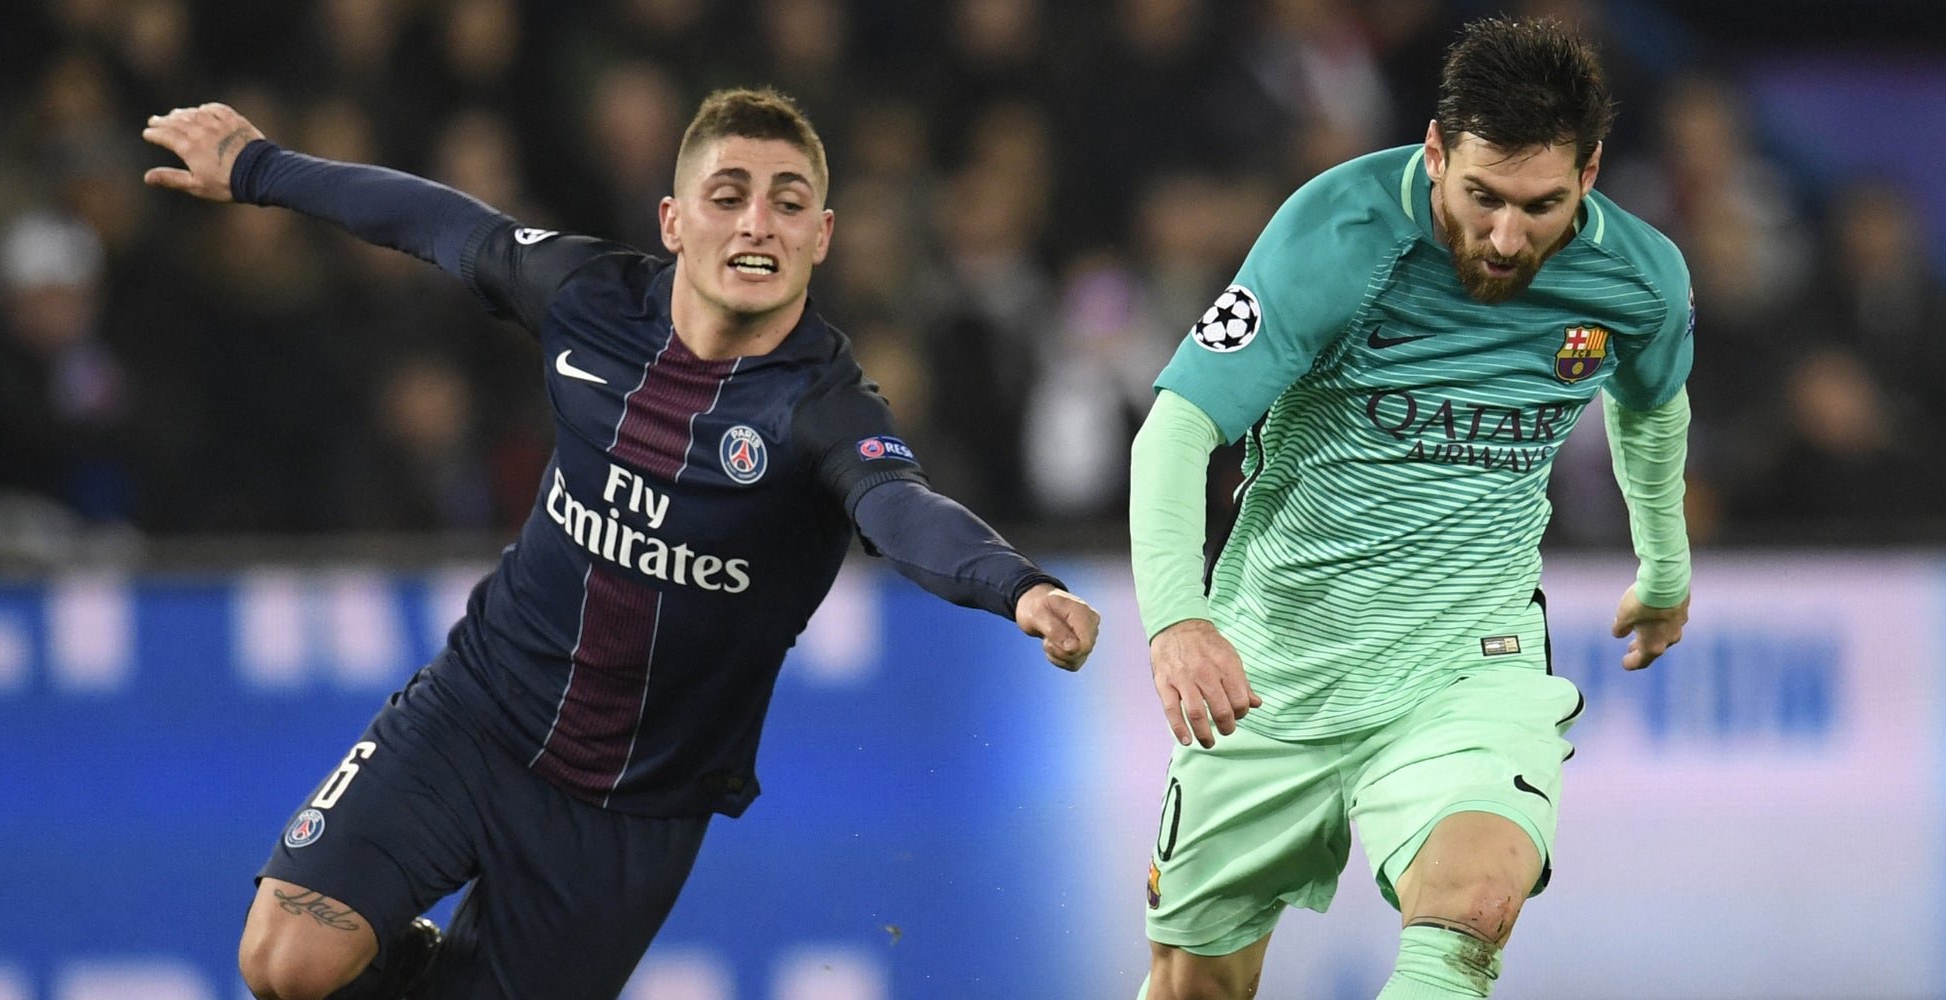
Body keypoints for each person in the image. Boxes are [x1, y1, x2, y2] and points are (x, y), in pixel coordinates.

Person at [141, 87, 1099, 1000]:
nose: (757, 223)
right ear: (675, 221)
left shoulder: (825, 408)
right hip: (474, 718)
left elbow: (901, 506)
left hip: (631, 812)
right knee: (284, 960)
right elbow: (436, 222)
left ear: (822, 235)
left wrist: (1016, 586)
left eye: (787, 202)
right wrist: (260, 167)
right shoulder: (588, 297)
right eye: (728, 197)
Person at [1129, 18, 1692, 999]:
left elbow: (1650, 409)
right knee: (1193, 985)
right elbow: (1175, 429)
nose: (1507, 236)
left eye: (1540, 204)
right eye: (1480, 196)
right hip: (1275, 667)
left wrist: (1665, 565)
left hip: (1466, 659)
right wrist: (1177, 617)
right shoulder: (1335, 233)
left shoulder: (1637, 279)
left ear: (1590, 173)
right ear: (1433, 150)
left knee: (1473, 907)